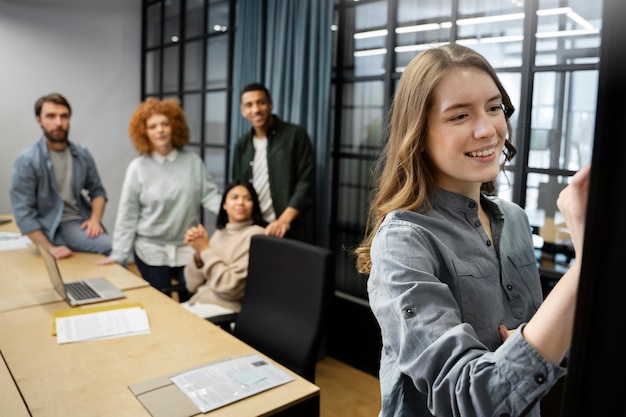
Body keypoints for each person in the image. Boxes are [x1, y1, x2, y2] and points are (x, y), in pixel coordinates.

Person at [354, 43, 590, 417]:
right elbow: (470, 399)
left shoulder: (512, 219)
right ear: (419, 134)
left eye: (494, 107)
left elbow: (542, 344)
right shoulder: (403, 241)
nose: (488, 130)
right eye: (460, 116)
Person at [97, 97, 221, 302]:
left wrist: (234, 211)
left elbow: (209, 195)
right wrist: (119, 254)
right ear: (144, 132)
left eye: (165, 124)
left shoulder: (192, 162)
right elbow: (128, 214)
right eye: (153, 126)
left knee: (194, 302)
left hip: (187, 248)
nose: (160, 130)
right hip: (150, 250)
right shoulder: (137, 168)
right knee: (158, 304)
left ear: (175, 127)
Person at [10, 93, 112, 259]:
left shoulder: (82, 154)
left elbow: (98, 192)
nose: (59, 123)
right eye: (51, 116)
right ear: (39, 120)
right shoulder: (28, 160)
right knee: (112, 247)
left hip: (80, 221)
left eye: (64, 116)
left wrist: (94, 219)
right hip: (53, 225)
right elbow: (23, 213)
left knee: (116, 248)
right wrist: (49, 248)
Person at [231, 82, 316, 243]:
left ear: (270, 104)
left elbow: (306, 184)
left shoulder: (295, 135)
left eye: (261, 102)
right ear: (243, 111)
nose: (255, 109)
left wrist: (284, 220)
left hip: (289, 227)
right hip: (252, 227)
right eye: (249, 105)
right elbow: (238, 187)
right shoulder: (241, 145)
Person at [181, 179, 267, 317]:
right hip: (198, 303)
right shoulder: (221, 233)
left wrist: (205, 250)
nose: (240, 202)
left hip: (224, 311)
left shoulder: (255, 235)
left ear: (254, 205)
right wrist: (198, 255)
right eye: (234, 197)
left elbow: (230, 287)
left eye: (248, 199)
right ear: (224, 205)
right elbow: (192, 285)